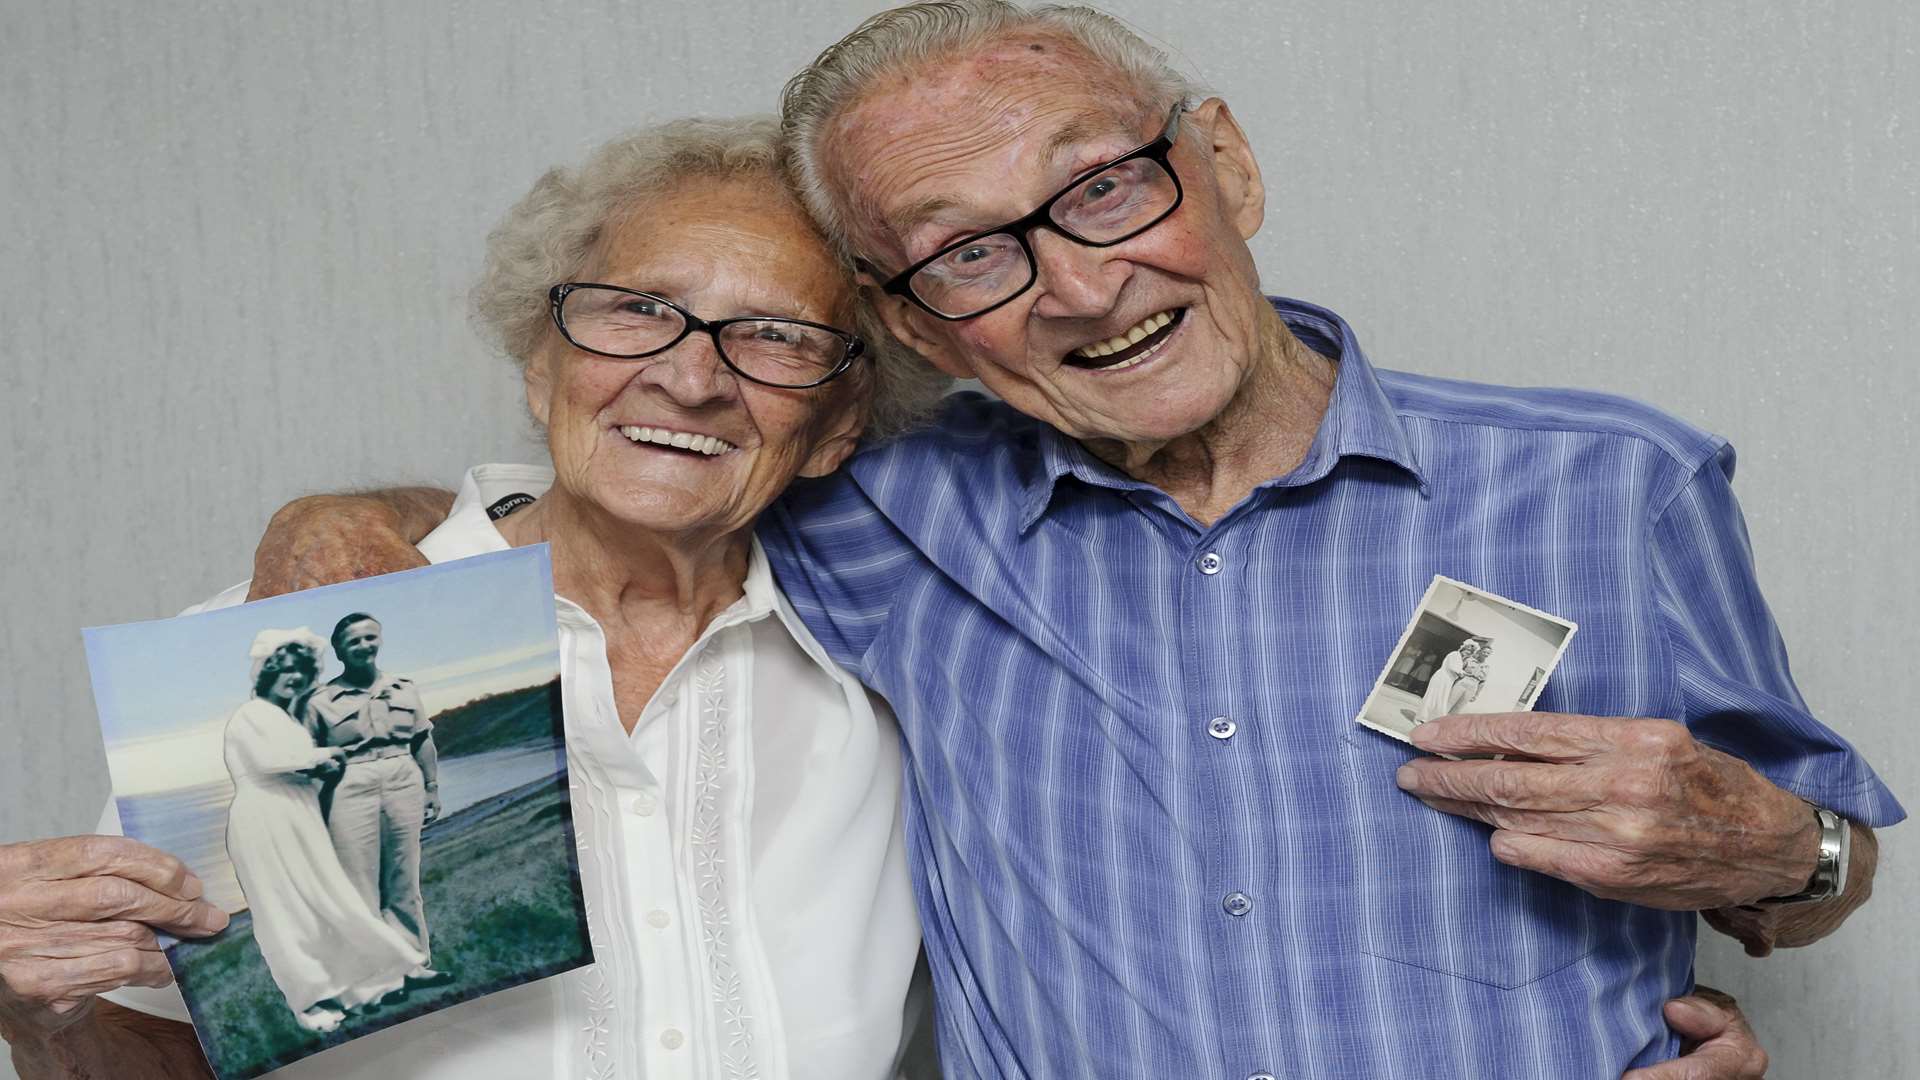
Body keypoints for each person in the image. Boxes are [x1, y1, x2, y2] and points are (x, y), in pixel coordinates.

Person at [211, 6, 1857, 1079]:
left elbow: (1819, 867)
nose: (1078, 287)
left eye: (1106, 193)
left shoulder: (1613, 481)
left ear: (1222, 164)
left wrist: (1789, 859)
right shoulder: (880, 521)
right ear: (916, 332)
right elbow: (650, 451)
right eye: (966, 256)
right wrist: (339, 533)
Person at [0, 118, 936, 1079]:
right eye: (637, 311)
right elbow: (153, 1055)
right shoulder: (277, 631)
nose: (691, 378)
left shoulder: (897, 666)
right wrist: (41, 1021)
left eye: (774, 335)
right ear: (543, 363)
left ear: (839, 424)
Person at [222, 629, 426, 1034]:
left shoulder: (283, 715)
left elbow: (297, 764)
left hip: (298, 811)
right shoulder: (251, 714)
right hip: (266, 816)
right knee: (285, 909)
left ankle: (357, 983)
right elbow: (270, 760)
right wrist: (327, 755)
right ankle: (309, 1000)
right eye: (284, 671)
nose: (294, 678)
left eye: (301, 671)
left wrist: (323, 769)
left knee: (324, 899)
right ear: (265, 674)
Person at [298, 612, 445, 986]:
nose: (364, 646)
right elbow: (305, 760)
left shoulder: (404, 688)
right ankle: (377, 977)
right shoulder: (319, 701)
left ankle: (414, 965)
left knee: (404, 880)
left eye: (370, 638)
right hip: (349, 784)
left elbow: (421, 741)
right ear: (339, 651)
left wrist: (431, 787)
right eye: (354, 641)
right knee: (359, 884)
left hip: (402, 777)